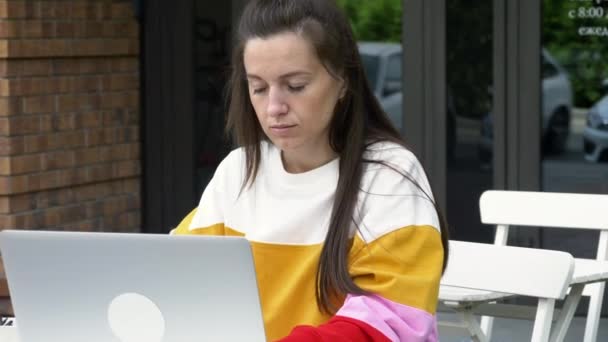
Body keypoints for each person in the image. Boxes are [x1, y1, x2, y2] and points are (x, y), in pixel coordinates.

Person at [172, 0, 449, 340]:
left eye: (296, 85)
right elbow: (177, 278)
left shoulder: (388, 175)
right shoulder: (237, 172)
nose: (274, 107)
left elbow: (388, 320)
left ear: (343, 81)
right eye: (258, 88)